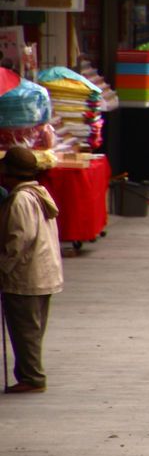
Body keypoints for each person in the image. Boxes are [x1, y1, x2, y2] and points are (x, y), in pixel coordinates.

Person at [1, 146, 64, 394]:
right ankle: (30, 373)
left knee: (25, 330)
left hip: (26, 275)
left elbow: (18, 241)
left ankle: (32, 377)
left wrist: (3, 267)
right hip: (43, 272)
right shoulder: (38, 193)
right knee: (32, 330)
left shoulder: (21, 199)